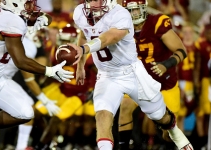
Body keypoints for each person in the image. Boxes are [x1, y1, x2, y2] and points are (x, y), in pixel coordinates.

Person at [68, 0, 193, 149]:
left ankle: (172, 132)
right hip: (117, 75)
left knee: (162, 120)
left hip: (148, 76)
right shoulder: (88, 15)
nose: (134, 13)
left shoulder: (132, 17)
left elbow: (110, 37)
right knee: (111, 113)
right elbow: (86, 33)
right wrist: (81, 65)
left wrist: (165, 65)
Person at [0, 0, 74, 149]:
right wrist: (50, 71)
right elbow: (20, 61)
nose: (31, 7)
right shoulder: (10, 20)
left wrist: (43, 18)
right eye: (28, 3)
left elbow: (47, 18)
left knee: (25, 113)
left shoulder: (5, 12)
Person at [117, 0, 192, 149]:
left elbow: (182, 51)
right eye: (130, 10)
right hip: (139, 81)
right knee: (125, 106)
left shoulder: (157, 23)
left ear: (144, 8)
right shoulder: (121, 27)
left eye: (137, 10)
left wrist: (166, 65)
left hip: (164, 82)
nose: (134, 14)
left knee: (168, 129)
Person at [33, 25, 97, 150]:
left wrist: (96, 89)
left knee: (56, 119)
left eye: (66, 41)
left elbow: (100, 73)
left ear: (74, 41)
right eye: (61, 40)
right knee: (34, 113)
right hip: (62, 89)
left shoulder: (86, 54)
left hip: (78, 94)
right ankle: (51, 140)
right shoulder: (56, 50)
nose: (63, 44)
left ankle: (41, 146)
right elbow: (52, 71)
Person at [193, 23, 211, 149]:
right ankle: (203, 141)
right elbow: (197, 66)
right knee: (204, 112)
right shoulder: (202, 45)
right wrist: (196, 83)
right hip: (205, 81)